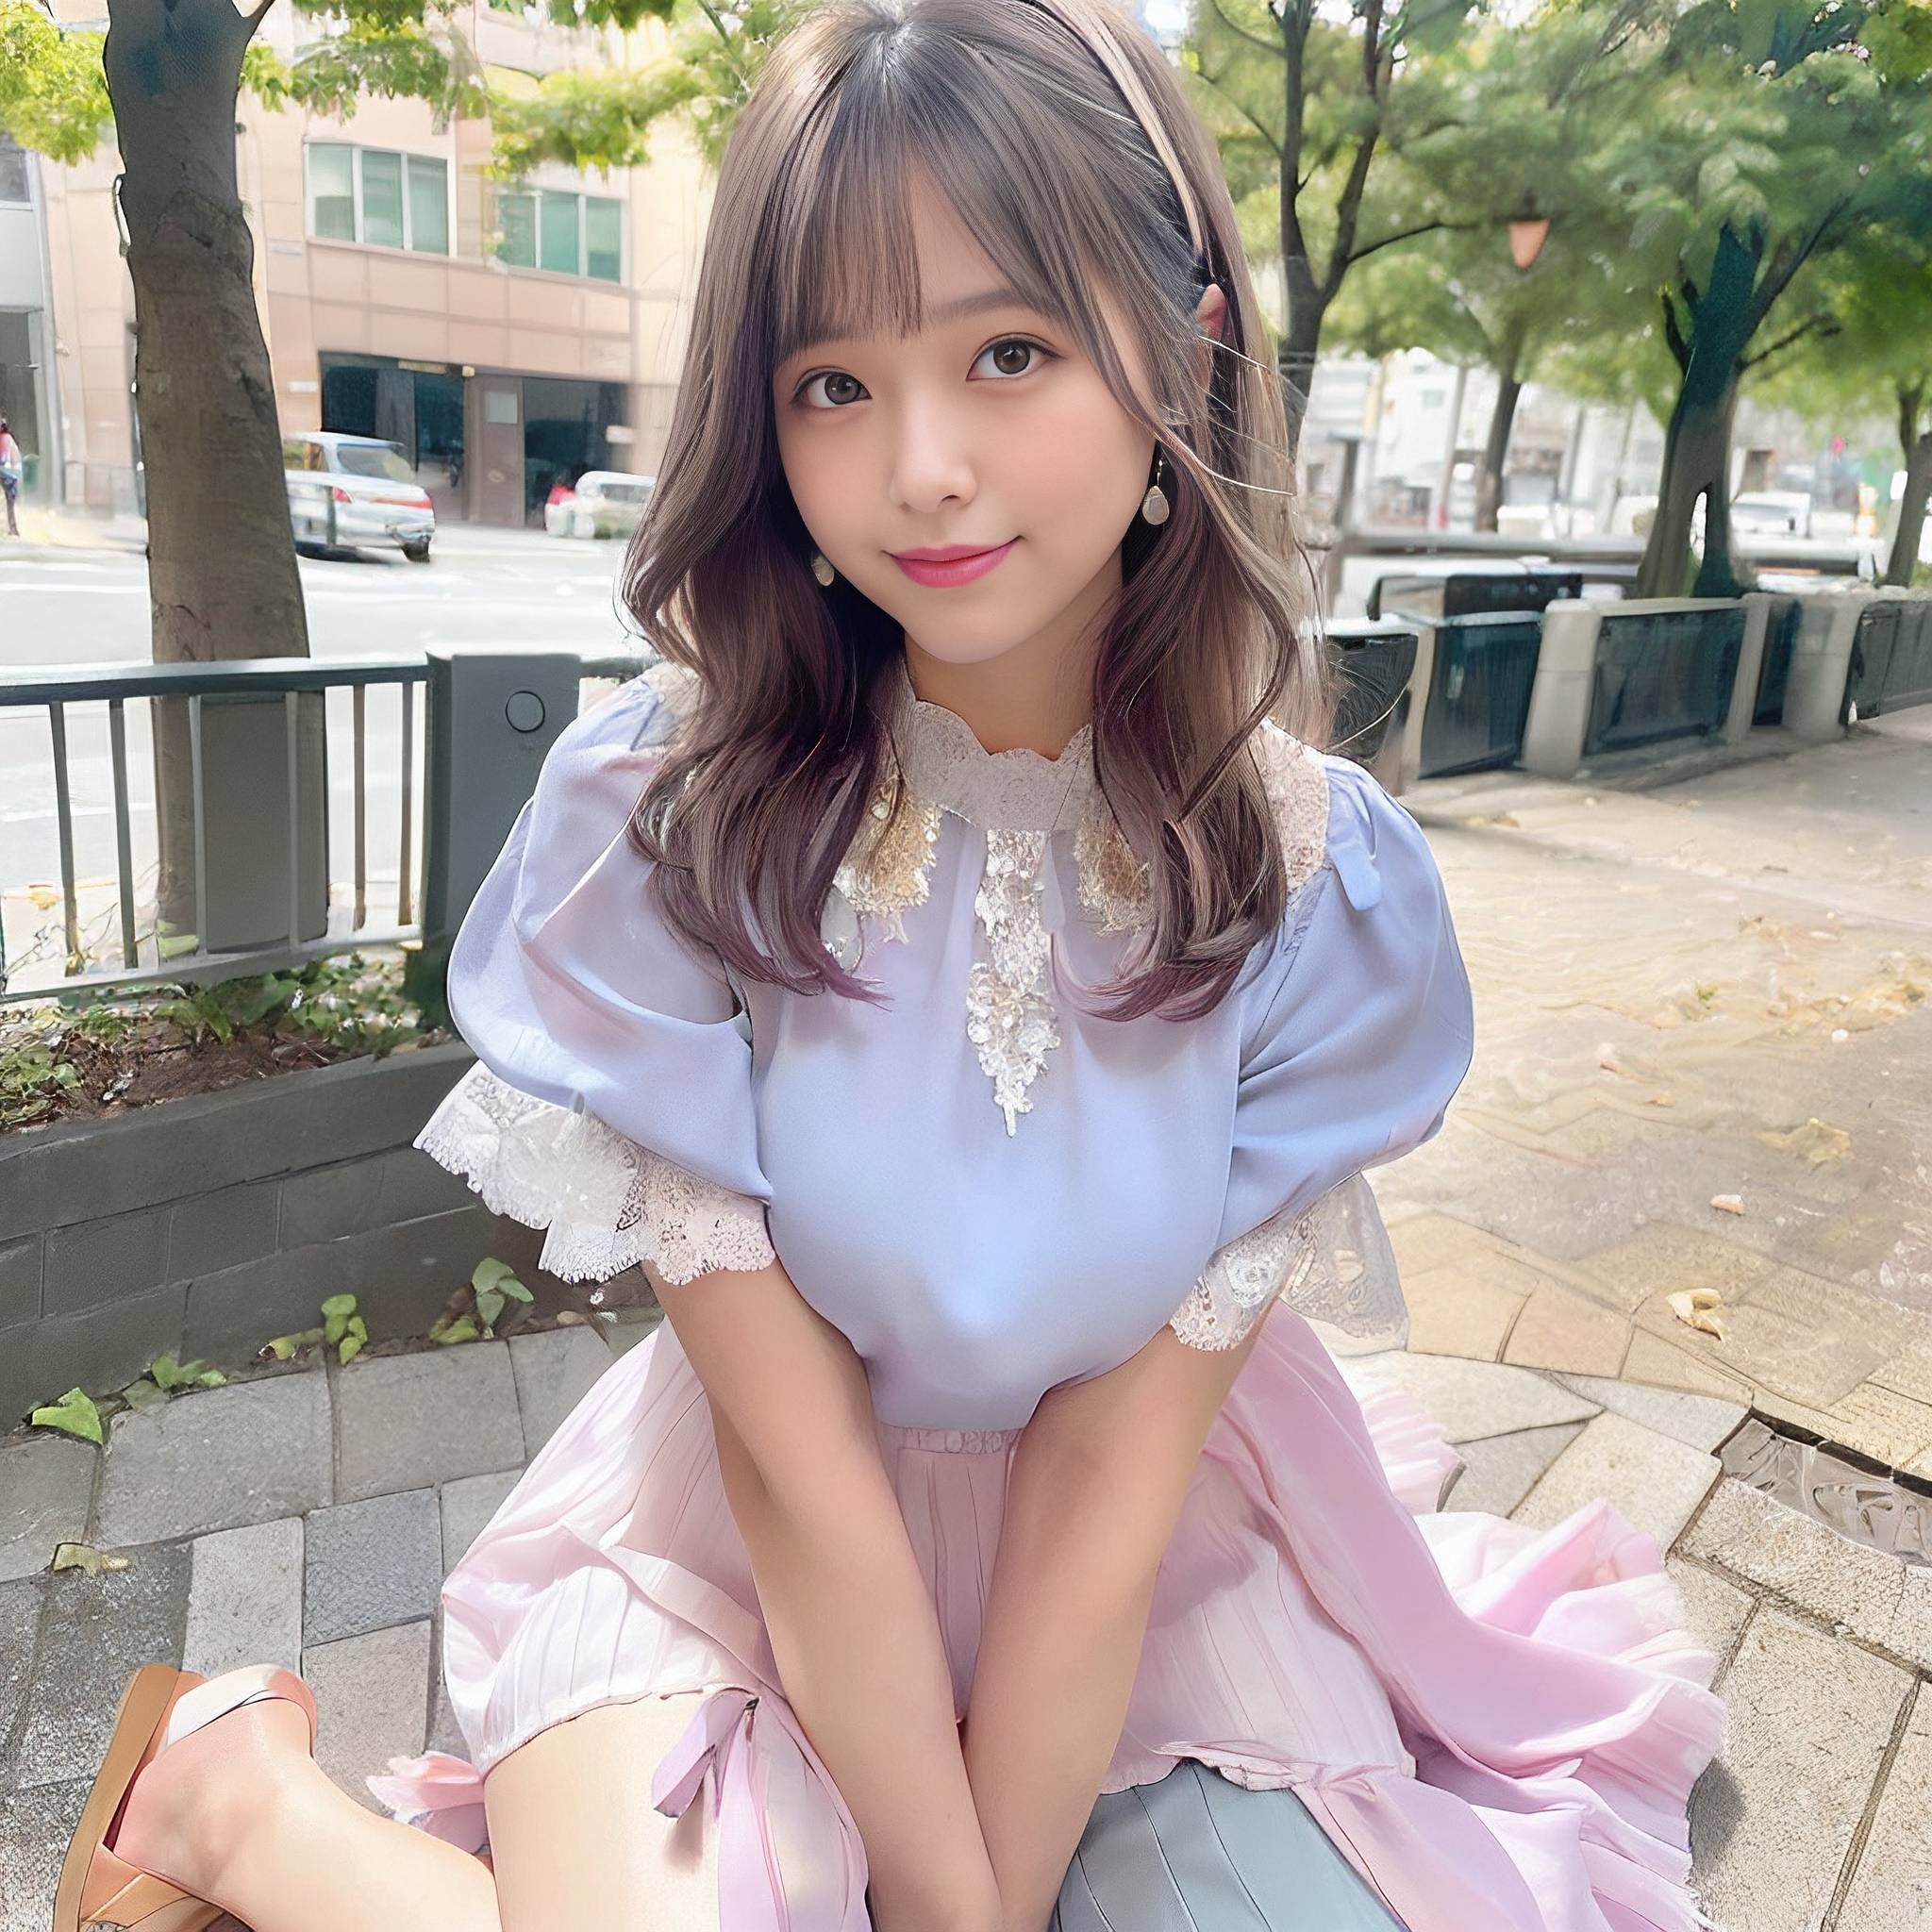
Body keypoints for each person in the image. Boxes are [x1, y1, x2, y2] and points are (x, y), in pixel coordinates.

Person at [56, 2, 1725, 1928]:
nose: (918, 467)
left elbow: (1106, 1488)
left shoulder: (1309, 888)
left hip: (1148, 1570)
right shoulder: (678, 822)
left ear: (1180, 348)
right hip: (738, 1553)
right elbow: (791, 1475)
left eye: (1006, 351)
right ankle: (242, 1795)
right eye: (830, 383)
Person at [0, 417, 22, 536]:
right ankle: (13, 529)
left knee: (10, 502)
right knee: (10, 503)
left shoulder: (4, 438)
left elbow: (3, 459)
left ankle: (13, 529)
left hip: (9, 475)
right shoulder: (8, 437)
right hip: (12, 476)